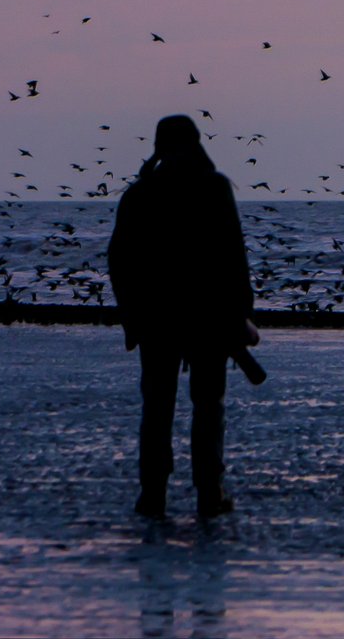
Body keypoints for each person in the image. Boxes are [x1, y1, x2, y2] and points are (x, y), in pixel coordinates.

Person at [107, 115, 256, 520]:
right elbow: (233, 255)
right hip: (209, 320)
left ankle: (152, 494)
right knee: (209, 405)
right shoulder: (214, 187)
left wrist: (131, 319)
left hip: (156, 321)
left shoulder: (139, 194)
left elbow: (119, 262)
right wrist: (242, 313)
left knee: (157, 407)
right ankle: (209, 492)